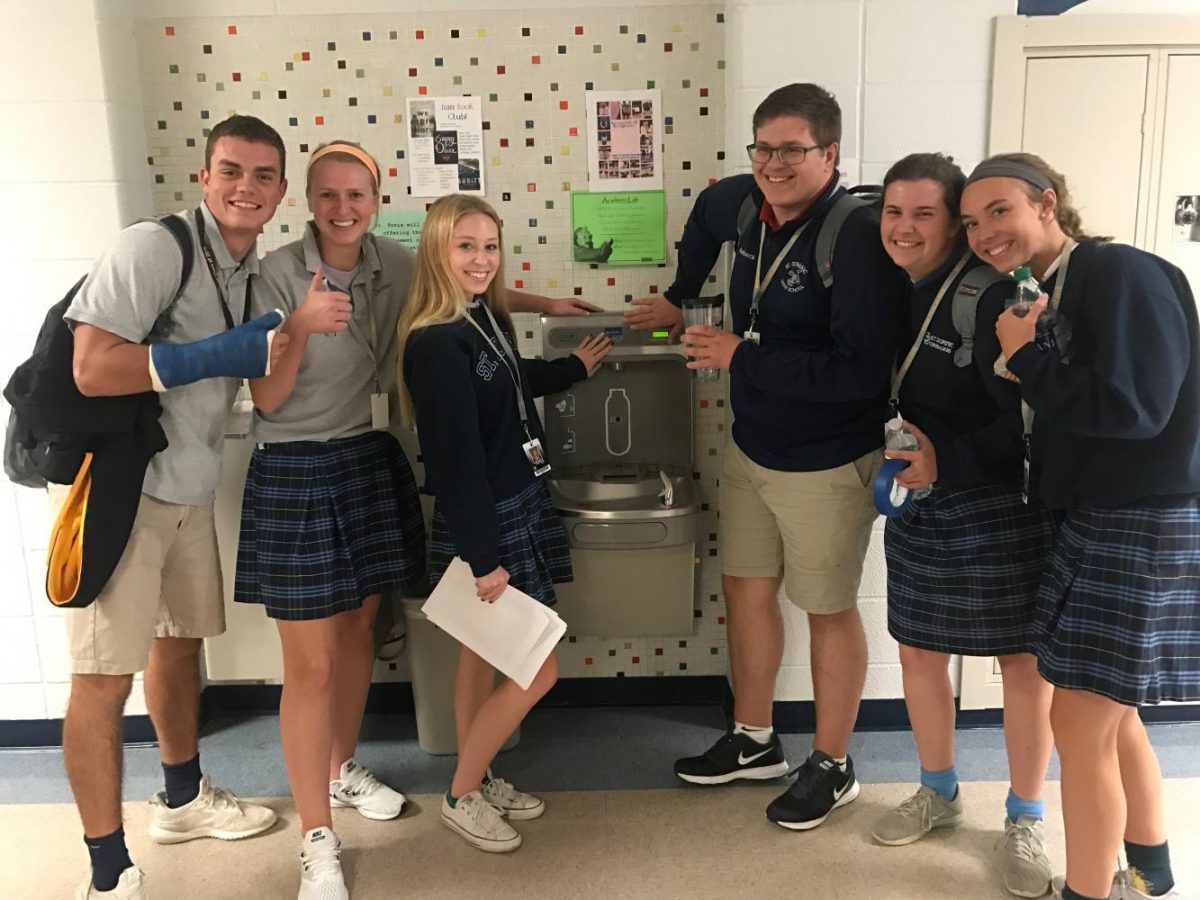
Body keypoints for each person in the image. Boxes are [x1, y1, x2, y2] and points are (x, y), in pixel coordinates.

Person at [630, 82, 906, 829]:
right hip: (751, 447)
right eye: (763, 148)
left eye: (792, 150)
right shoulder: (746, 206)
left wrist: (738, 355)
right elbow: (703, 214)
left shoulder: (855, 235)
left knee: (827, 610)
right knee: (746, 591)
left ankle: (833, 763)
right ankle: (754, 739)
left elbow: (859, 371)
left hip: (824, 461)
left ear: (830, 153)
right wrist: (681, 294)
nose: (774, 163)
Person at [63, 115, 291, 899]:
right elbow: (92, 367)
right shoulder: (154, 248)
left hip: (189, 487)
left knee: (179, 645)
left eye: (263, 176)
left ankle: (183, 798)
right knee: (101, 675)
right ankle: (105, 869)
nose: (245, 188)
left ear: (280, 192)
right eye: (231, 170)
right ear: (204, 177)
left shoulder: (250, 268)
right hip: (121, 491)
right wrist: (219, 354)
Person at [962, 151, 1198, 900]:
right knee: (1109, 708)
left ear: (1048, 202)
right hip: (1096, 512)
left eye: (1000, 210)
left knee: (1078, 720)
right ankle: (1149, 864)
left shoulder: (1120, 272)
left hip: (1139, 516)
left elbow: (1137, 409)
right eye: (972, 221)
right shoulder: (1037, 291)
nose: (984, 231)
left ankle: (1092, 892)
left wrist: (1026, 357)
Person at [868, 153, 1056, 898]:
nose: (905, 228)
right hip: (922, 496)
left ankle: (1025, 816)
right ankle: (938, 792)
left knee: (1020, 667)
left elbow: (1026, 422)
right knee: (918, 650)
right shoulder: (892, 289)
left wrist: (951, 461)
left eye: (926, 214)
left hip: (996, 501)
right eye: (893, 212)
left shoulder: (991, 300)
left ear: (953, 225)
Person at [398, 194, 611, 853]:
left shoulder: (481, 320)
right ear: (437, 251)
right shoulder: (436, 342)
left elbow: (509, 384)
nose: (481, 258)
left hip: (514, 503)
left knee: (480, 658)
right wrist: (485, 557)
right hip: (486, 521)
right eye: (465, 246)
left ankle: (479, 773)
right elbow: (458, 459)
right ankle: (461, 794)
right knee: (534, 667)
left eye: (490, 246)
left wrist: (572, 368)